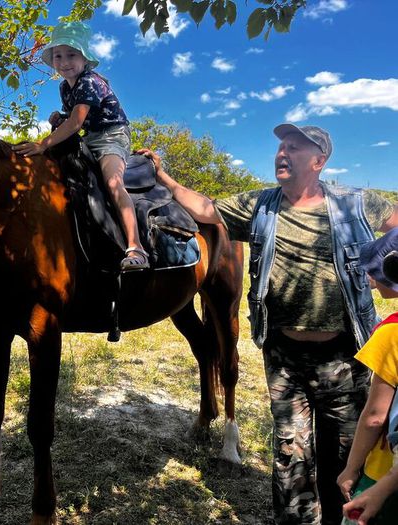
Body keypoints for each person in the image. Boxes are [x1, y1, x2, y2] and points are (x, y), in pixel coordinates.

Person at [139, 123, 398, 525]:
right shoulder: (260, 205)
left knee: (344, 453)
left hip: (345, 357)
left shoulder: (357, 204)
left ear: (318, 160)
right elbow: (206, 209)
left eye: (294, 147)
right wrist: (163, 176)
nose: (282, 153)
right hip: (284, 354)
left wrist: (383, 270)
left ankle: (340, 518)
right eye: (280, 146)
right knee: (290, 453)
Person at [12, 21, 148, 271]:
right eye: (58, 55)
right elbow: (73, 117)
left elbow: (76, 122)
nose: (64, 61)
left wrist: (43, 144)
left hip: (111, 135)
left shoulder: (90, 81)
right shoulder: (65, 87)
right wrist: (59, 118)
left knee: (112, 183)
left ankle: (135, 246)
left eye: (71, 54)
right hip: (89, 135)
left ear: (85, 58)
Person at [337, 229, 398, 525]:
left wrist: (351, 468)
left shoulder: (391, 333)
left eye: (376, 271)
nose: (371, 282)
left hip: (383, 471)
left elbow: (375, 416)